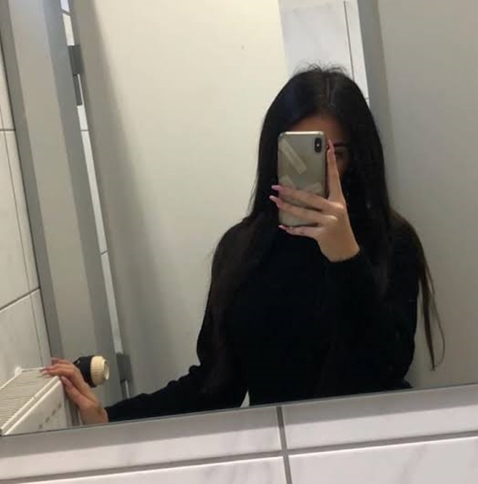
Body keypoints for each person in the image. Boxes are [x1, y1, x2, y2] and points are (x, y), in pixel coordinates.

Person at [43, 67, 443, 425]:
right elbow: (215, 386)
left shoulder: (391, 243)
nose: (322, 171)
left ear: (359, 157)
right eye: (300, 155)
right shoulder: (244, 249)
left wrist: (346, 258)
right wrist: (110, 419)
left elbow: (384, 370)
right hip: (280, 455)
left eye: (334, 154)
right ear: (274, 155)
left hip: (376, 453)